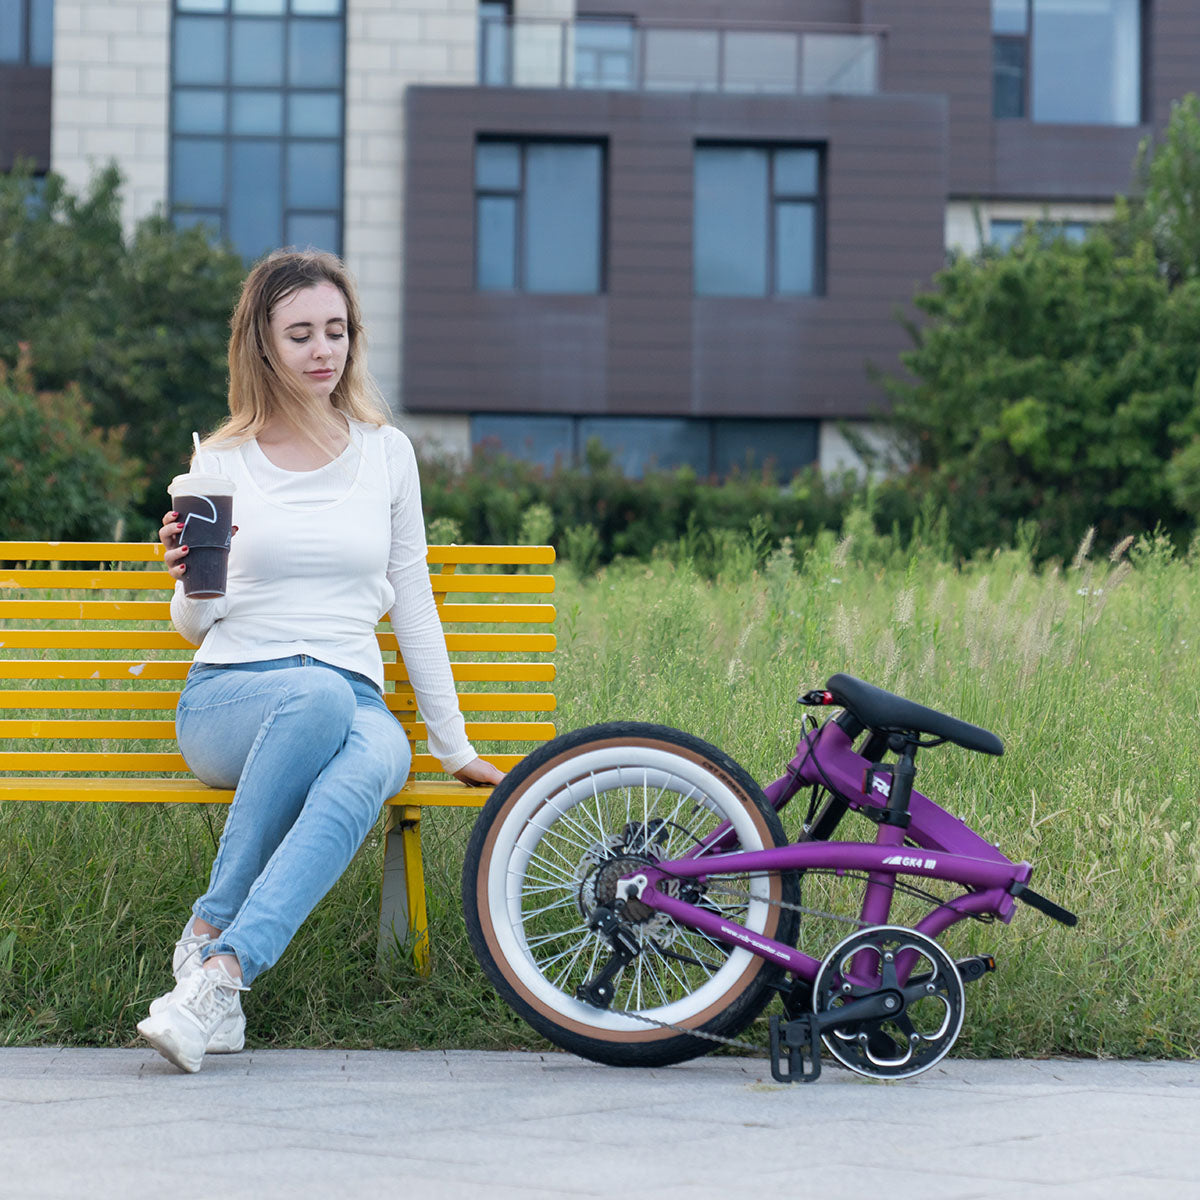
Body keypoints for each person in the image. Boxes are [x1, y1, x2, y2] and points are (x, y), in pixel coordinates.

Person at [137, 249, 503, 1073]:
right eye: (300, 333)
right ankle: (208, 922)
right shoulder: (220, 461)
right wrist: (191, 571)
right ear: (263, 345)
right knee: (315, 695)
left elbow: (412, 597)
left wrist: (455, 746)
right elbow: (197, 627)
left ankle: (219, 974)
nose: (321, 349)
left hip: (349, 702)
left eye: (335, 330)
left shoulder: (386, 452)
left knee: (378, 754)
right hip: (231, 698)